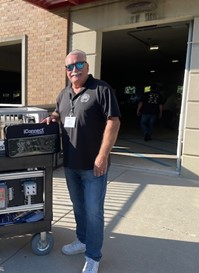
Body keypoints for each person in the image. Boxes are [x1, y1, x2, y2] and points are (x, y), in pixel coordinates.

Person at [43, 49, 121, 273]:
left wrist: (103, 154)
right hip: (70, 164)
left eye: (78, 65)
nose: (74, 70)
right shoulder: (64, 93)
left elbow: (113, 122)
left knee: (94, 211)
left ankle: (93, 256)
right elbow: (59, 112)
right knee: (79, 207)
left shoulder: (101, 89)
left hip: (94, 165)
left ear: (87, 67)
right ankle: (82, 240)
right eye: (69, 67)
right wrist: (53, 117)